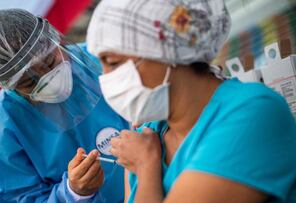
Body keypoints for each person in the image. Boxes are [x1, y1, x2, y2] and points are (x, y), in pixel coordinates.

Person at [86, 0, 296, 203]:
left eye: (113, 62)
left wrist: (146, 167)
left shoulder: (253, 113)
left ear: (166, 51)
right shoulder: (147, 136)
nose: (106, 78)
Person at [0, 9, 128, 202]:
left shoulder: (99, 58)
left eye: (50, 63)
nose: (49, 81)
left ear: (54, 40)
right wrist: (73, 193)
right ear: (8, 86)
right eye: (29, 83)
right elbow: (17, 197)